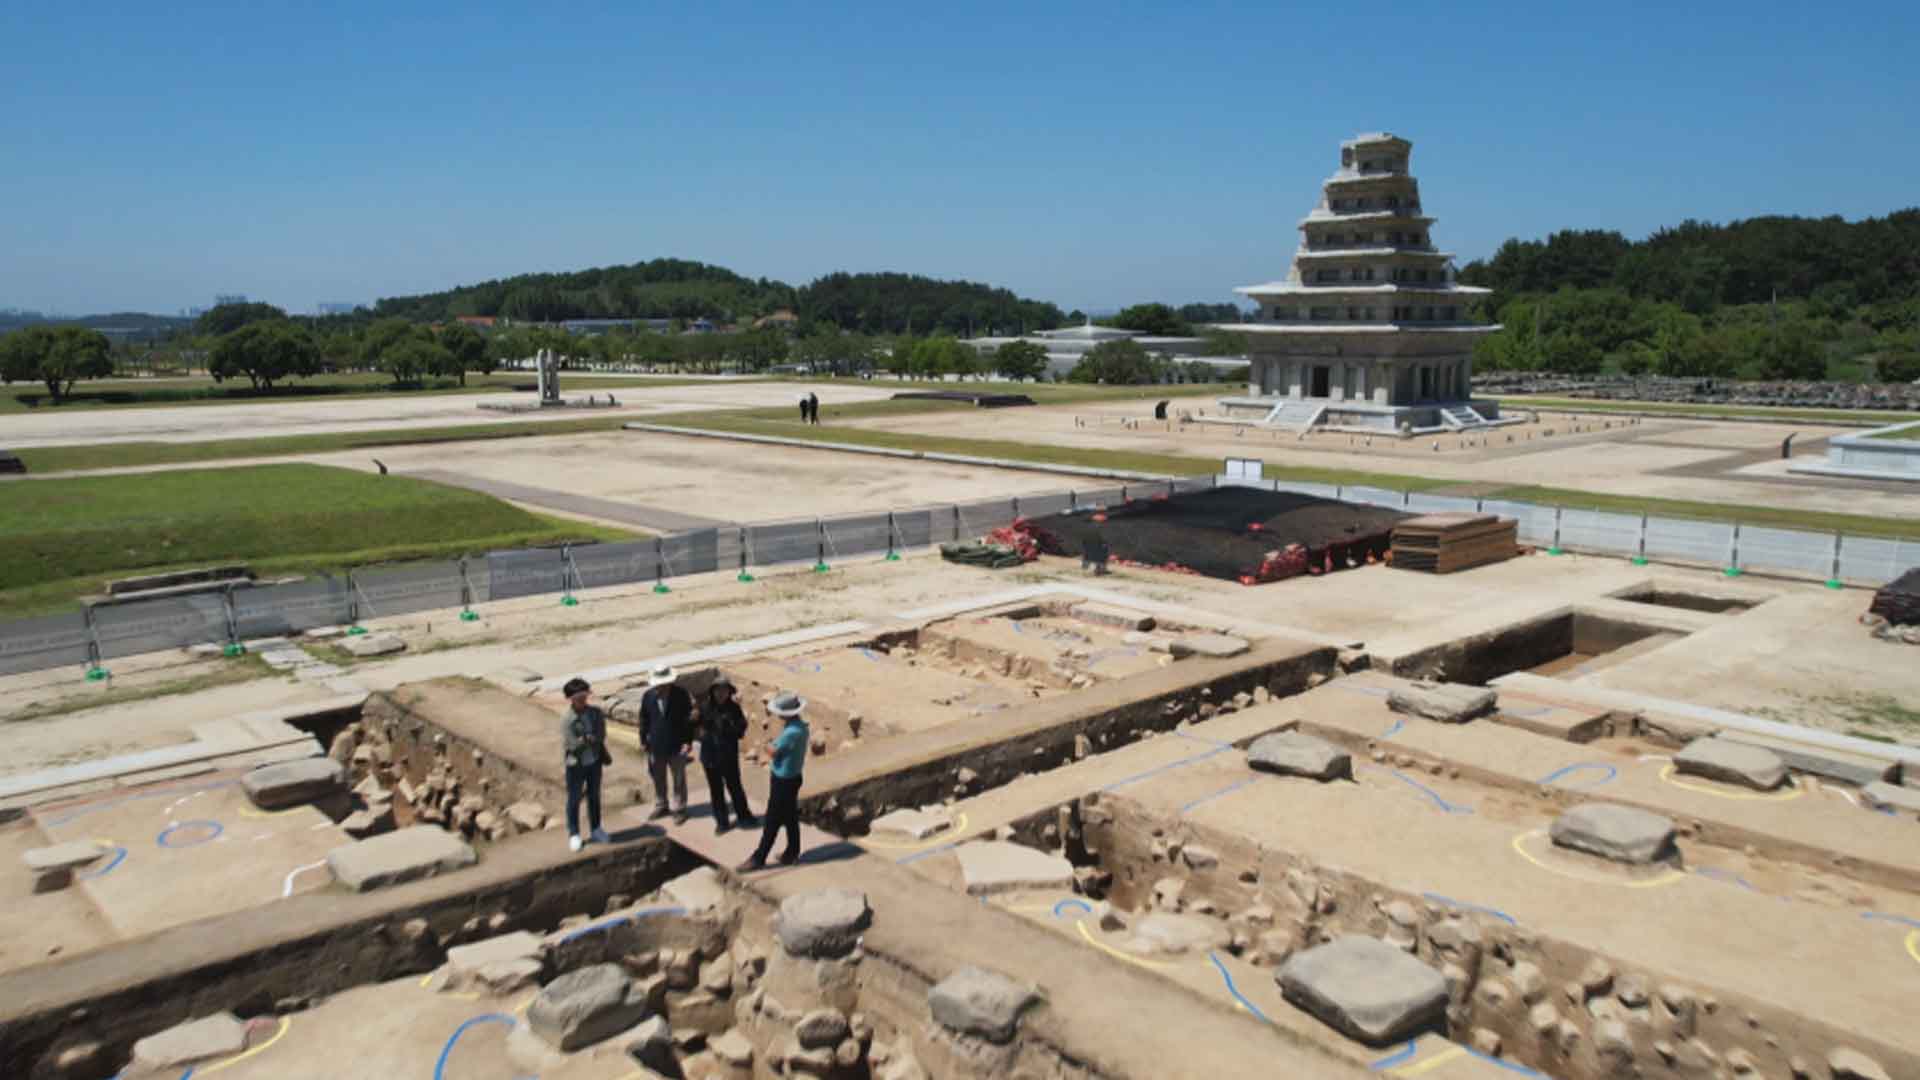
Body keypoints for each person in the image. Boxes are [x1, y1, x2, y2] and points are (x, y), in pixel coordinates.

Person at [737, 690, 808, 870]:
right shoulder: (801, 727)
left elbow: (773, 751)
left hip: (783, 781)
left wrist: (766, 745)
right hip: (793, 777)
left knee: (772, 820)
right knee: (790, 817)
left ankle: (758, 857)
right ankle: (792, 852)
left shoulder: (791, 731)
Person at [697, 675, 757, 833]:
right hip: (710, 757)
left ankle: (744, 815)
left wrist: (729, 726)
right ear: (713, 691)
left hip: (728, 756)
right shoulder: (705, 708)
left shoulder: (734, 709)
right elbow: (696, 727)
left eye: (724, 690)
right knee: (716, 790)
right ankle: (722, 822)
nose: (721, 693)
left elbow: (741, 729)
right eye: (718, 690)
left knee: (735, 787)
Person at [559, 677, 610, 851]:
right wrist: (586, 741)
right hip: (576, 764)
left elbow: (601, 734)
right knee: (574, 799)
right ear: (571, 699)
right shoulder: (567, 718)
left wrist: (591, 740)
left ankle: (596, 828)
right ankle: (574, 833)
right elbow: (571, 745)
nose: (582, 700)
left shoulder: (595, 713)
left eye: (584, 696)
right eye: (578, 697)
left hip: (594, 761)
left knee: (594, 795)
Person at [638, 664, 694, 823]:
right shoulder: (648, 696)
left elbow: (688, 721)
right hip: (655, 744)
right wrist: (643, 739)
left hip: (677, 744)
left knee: (678, 778)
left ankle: (679, 808)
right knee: (658, 777)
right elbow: (644, 719)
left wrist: (688, 741)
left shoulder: (681, 695)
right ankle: (661, 804)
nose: (660, 687)